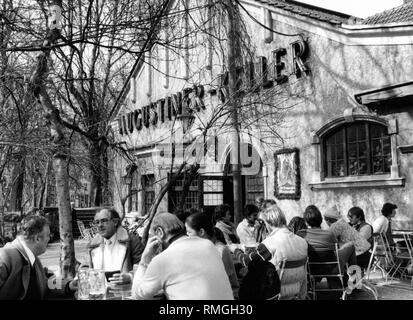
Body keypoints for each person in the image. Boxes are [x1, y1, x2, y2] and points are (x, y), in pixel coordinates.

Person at [131, 212, 233, 300]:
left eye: (153, 235)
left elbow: (138, 295)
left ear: (160, 232)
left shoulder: (163, 259)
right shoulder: (208, 245)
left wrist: (144, 260)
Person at [232, 205, 308, 299]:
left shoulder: (269, 244)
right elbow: (304, 277)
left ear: (268, 223)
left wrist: (235, 250)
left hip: (273, 294)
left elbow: (247, 262)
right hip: (294, 294)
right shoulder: (303, 242)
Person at [0, 215, 75, 299]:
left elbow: (47, 283)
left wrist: (69, 286)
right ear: (37, 239)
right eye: (48, 235)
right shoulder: (5, 256)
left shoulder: (33, 259)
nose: (49, 239)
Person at [185, 213, 239, 299]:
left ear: (201, 232)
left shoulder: (219, 251)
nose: (187, 235)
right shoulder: (197, 248)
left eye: (189, 232)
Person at [87, 208, 144, 286]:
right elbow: (86, 268)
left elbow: (144, 267)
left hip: (124, 292)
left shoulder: (131, 241)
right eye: (97, 222)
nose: (100, 225)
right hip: (100, 293)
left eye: (104, 221)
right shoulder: (92, 245)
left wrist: (130, 277)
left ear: (115, 222)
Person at [297, 205, 357, 275]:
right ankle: (353, 277)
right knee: (351, 245)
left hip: (310, 269)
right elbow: (336, 249)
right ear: (321, 220)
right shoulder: (329, 234)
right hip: (330, 269)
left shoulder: (300, 234)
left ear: (306, 222)